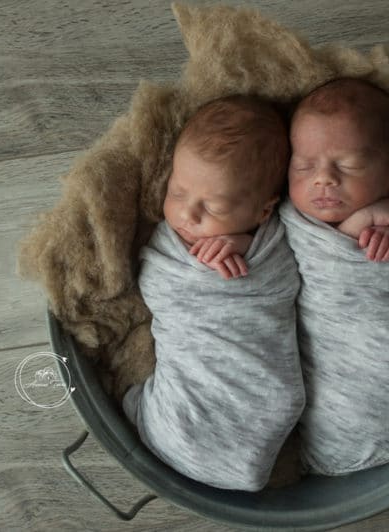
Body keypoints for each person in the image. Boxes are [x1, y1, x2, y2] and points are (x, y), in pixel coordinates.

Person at [123, 95, 305, 491]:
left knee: (275, 400)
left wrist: (248, 252)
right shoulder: (168, 242)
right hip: (189, 382)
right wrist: (195, 267)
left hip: (264, 388)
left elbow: (293, 283)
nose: (188, 215)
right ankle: (178, 433)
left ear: (262, 212)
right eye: (177, 191)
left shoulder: (274, 245)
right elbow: (154, 282)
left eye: (214, 206)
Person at [279, 78, 389, 475]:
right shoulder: (288, 221)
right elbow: (292, 274)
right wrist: (357, 223)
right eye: (304, 165)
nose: (323, 179)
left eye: (348, 165)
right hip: (329, 372)